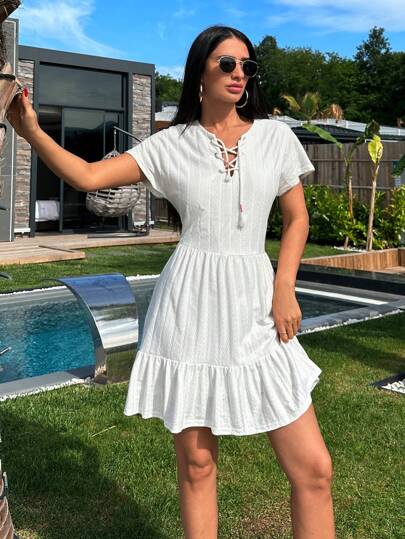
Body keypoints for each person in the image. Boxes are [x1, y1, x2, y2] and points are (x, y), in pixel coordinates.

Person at [7, 24, 335, 539]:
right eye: (227, 63)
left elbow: (297, 220)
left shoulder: (275, 138)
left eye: (247, 66)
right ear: (199, 72)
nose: (239, 74)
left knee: (314, 469)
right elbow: (89, 176)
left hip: (258, 305)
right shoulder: (171, 145)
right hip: (190, 308)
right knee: (197, 466)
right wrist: (31, 131)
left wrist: (284, 287)